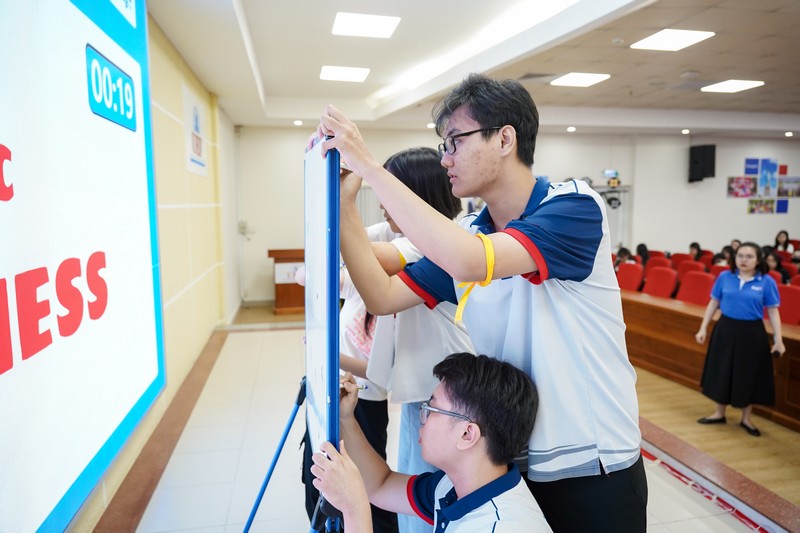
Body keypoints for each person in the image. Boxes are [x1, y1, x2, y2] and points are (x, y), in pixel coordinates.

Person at [316, 73, 646, 531]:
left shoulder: (575, 206)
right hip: (509, 459)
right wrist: (346, 205)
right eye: (444, 145)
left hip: (592, 464)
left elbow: (471, 261)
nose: (445, 158)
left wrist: (371, 169)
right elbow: (382, 295)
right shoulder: (470, 231)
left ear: (505, 139)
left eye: (455, 141)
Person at [310, 353, 552, 532]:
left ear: (467, 434)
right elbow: (381, 485)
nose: (421, 416)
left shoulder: (499, 527)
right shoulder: (453, 487)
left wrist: (355, 509)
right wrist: (346, 418)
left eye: (432, 408)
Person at [695, 242, 786, 437]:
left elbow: (773, 311)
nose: (744, 260)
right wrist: (703, 327)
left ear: (758, 260)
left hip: (752, 333)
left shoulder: (766, 281)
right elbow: (714, 302)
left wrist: (778, 339)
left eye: (749, 256)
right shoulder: (724, 277)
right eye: (740, 256)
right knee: (722, 370)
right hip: (725, 329)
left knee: (748, 374)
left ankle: (746, 418)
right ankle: (719, 413)